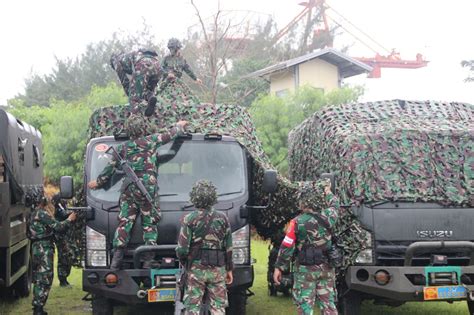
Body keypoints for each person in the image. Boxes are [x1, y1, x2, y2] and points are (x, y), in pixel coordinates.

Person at [88, 116, 188, 270]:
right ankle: (149, 260)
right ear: (143, 128)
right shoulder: (151, 141)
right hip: (146, 189)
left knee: (125, 222)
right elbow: (171, 134)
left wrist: (98, 182)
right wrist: (180, 126)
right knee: (149, 222)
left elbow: (110, 168)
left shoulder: (122, 148)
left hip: (129, 189)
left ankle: (116, 259)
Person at [273, 181, 339, 315]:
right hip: (326, 267)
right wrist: (327, 190)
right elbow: (335, 203)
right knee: (328, 305)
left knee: (305, 307)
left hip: (305, 270)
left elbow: (287, 246)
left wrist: (279, 267)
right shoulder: (330, 215)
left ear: (303, 201)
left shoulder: (297, 222)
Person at [176, 180, 233, 315]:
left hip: (196, 270)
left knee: (192, 307)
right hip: (218, 269)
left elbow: (182, 249)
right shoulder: (223, 218)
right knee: (218, 307)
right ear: (213, 197)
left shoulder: (189, 219)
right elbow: (228, 247)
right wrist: (229, 269)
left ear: (194, 197)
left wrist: (185, 262)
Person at [28, 196, 77, 315]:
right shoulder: (43, 214)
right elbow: (58, 227)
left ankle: (38, 307)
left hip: (37, 247)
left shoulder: (35, 213)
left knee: (40, 276)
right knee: (44, 277)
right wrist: (70, 219)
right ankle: (38, 309)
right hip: (43, 248)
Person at [110, 49, 161, 115]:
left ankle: (136, 117)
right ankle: (151, 97)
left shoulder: (116, 60)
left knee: (133, 97)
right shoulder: (131, 55)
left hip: (143, 65)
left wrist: (131, 94)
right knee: (147, 90)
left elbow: (124, 80)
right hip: (157, 66)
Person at [51, 193, 73, 287]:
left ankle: (64, 279)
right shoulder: (57, 205)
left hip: (64, 235)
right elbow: (63, 214)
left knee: (67, 256)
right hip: (59, 235)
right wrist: (72, 214)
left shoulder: (62, 205)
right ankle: (62, 280)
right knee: (63, 257)